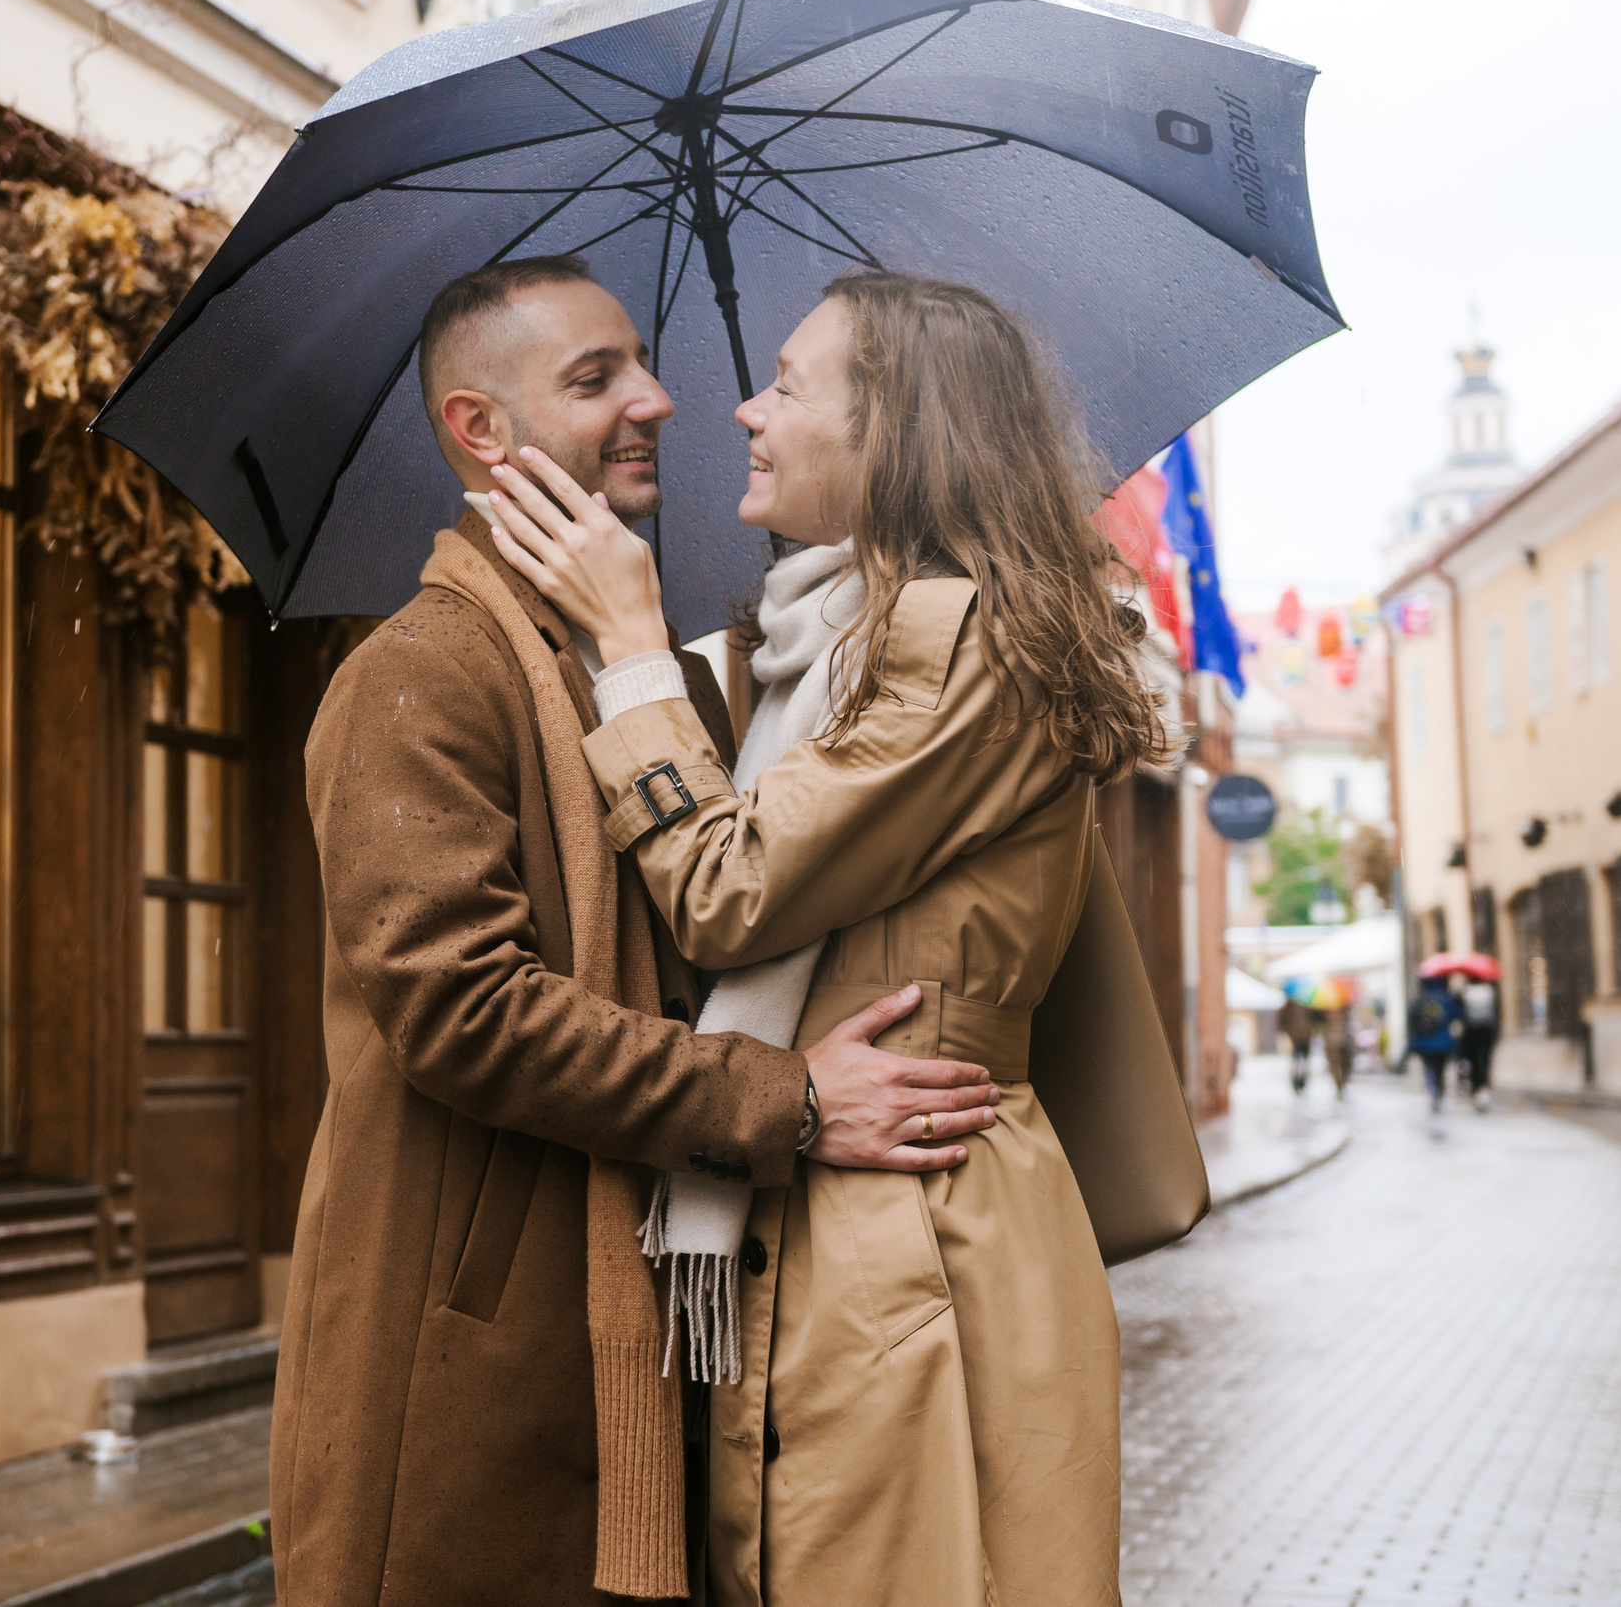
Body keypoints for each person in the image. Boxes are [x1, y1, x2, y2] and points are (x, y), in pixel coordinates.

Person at [272, 256, 1002, 1607]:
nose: (659, 400)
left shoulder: (635, 671)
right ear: (482, 430)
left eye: (645, 365)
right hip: (465, 1352)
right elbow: (463, 1008)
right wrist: (782, 1101)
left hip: (628, 1337)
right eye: (597, 377)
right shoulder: (418, 674)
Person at [485, 270, 1169, 1606]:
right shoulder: (816, 645)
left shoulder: (961, 641)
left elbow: (731, 888)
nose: (744, 408)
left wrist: (628, 645)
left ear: (892, 431)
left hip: (915, 1235)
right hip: (849, 1219)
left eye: (790, 385)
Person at [1407, 974, 1463, 1111]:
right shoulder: (1445, 998)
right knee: (1440, 1069)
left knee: (1429, 1067)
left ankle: (1432, 1088)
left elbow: (1412, 1020)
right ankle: (1438, 1091)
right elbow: (1456, 1015)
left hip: (1424, 1042)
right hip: (1442, 1042)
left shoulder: (1420, 999)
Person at [1456, 970, 1501, 1110]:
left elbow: (1461, 1015)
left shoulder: (1465, 992)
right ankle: (1484, 1089)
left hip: (1470, 1034)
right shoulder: (1489, 991)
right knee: (1485, 1062)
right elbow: (1496, 1013)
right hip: (1487, 1033)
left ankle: (1476, 1090)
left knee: (1474, 1062)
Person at [1277, 996, 1318, 1094]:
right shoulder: (1291, 1004)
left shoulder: (1309, 1005)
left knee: (1302, 1061)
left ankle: (1301, 1081)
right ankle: (1297, 1082)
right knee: (1298, 1061)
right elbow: (1282, 1019)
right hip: (1296, 1037)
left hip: (1304, 1037)